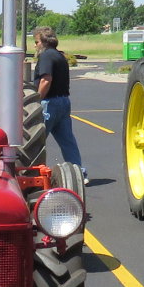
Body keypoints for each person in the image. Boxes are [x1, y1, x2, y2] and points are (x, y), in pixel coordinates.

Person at [32, 26, 88, 184]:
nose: (35, 45)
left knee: (37, 141)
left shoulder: (46, 57)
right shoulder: (60, 56)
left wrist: (37, 99)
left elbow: (46, 80)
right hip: (63, 102)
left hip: (49, 103)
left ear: (43, 42)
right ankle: (79, 174)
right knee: (67, 141)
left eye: (36, 42)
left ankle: (33, 174)